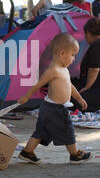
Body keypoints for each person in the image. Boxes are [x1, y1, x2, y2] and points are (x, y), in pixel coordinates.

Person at [17, 33, 91, 164]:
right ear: (62, 53)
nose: (74, 59)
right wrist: (26, 96)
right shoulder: (53, 69)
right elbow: (38, 83)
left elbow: (70, 85)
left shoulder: (64, 69)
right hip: (55, 108)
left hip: (49, 108)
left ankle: (27, 152)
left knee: (41, 131)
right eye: (73, 55)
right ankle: (74, 154)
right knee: (67, 129)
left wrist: (79, 98)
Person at [72, 18, 100, 112]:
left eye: (85, 34)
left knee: (74, 103)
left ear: (88, 32)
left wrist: (86, 88)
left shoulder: (98, 45)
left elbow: (94, 69)